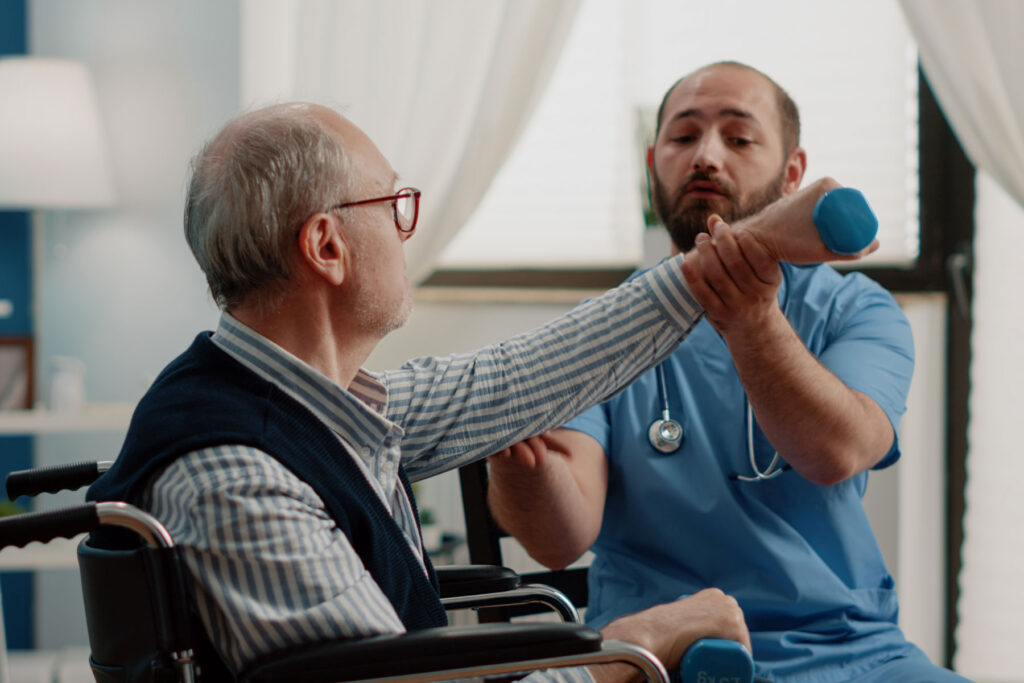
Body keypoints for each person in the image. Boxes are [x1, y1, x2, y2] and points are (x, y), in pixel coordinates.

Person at [88, 101, 865, 682]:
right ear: (327, 246)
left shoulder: (313, 404)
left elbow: (525, 372)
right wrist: (636, 644)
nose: (405, 229)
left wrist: (751, 244)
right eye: (393, 205)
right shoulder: (237, 473)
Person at [487, 62, 970, 683]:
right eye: (683, 138)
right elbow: (558, 540)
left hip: (849, 652)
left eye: (739, 139)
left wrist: (751, 320)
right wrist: (520, 467)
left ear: (794, 175)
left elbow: (839, 450)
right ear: (651, 164)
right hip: (658, 656)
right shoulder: (600, 330)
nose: (706, 157)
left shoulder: (856, 309)